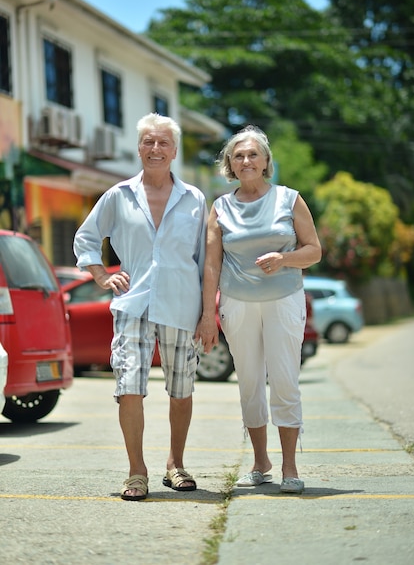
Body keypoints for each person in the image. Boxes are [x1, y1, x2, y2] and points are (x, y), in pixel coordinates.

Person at [73, 112, 207, 501]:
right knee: (129, 386)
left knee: (181, 390)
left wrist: (206, 315)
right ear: (138, 148)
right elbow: (86, 238)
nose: (155, 148)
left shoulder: (194, 198)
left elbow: (204, 262)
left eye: (163, 142)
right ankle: (137, 471)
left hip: (182, 305)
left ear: (175, 150)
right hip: (133, 305)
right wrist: (101, 276)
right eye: (148, 141)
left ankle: (175, 463)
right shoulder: (119, 195)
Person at [195, 125, 321, 494]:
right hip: (237, 304)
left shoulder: (289, 199)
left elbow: (314, 250)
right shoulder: (220, 207)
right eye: (238, 156)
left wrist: (284, 259)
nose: (246, 160)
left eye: (253, 154)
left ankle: (290, 467)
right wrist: (208, 316)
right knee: (249, 382)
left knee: (284, 380)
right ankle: (260, 462)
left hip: (284, 301)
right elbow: (211, 266)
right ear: (230, 165)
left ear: (266, 161)